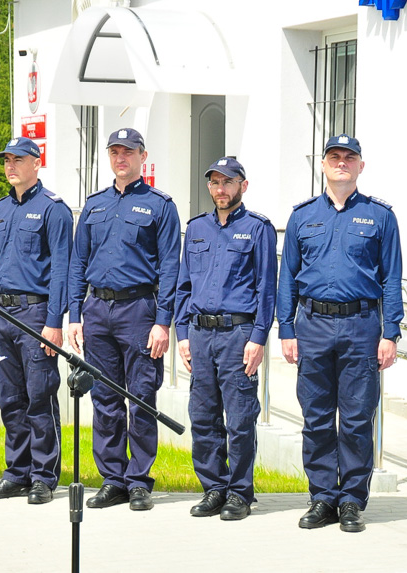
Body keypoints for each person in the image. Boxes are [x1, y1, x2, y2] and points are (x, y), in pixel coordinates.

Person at [277, 134, 403, 533]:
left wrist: (391, 332)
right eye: (334, 156)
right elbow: (288, 279)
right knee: (315, 418)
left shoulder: (380, 217)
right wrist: (286, 328)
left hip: (362, 327)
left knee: (355, 419)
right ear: (323, 164)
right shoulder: (301, 217)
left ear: (361, 166)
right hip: (312, 325)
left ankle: (351, 500)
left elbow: (391, 278)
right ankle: (322, 498)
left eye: (350, 157)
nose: (341, 163)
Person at [67, 128, 181, 511]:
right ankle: (113, 478)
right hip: (97, 311)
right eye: (115, 151)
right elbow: (77, 262)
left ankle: (138, 481)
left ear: (141, 157)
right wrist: (75, 314)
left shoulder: (159, 205)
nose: (121, 158)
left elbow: (170, 267)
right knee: (105, 398)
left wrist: (163, 321)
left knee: (141, 397)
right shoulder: (94, 205)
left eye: (128, 152)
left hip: (139, 311)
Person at [174, 157, 277, 520]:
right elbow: (183, 286)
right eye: (215, 182)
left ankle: (239, 493)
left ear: (242, 186)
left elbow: (267, 289)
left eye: (228, 182)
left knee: (240, 419)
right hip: (200, 335)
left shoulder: (258, 228)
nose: (221, 189)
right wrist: (182, 333)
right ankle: (213, 489)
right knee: (202, 418)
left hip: (238, 335)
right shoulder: (197, 229)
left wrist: (259, 337)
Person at [0, 137, 73, 505]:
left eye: (18, 159)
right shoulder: (0, 210)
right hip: (1, 315)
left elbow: (62, 269)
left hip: (35, 315)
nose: (11, 166)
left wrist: (54, 322)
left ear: (37, 163)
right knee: (9, 399)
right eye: (7, 160)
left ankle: (43, 477)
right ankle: (16, 473)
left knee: (39, 397)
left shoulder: (54, 210)